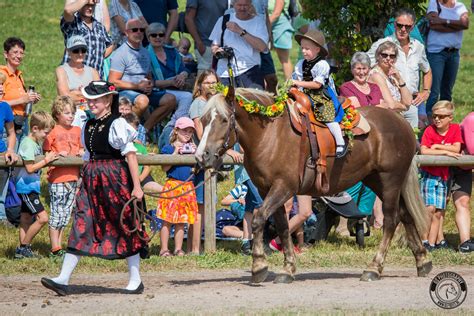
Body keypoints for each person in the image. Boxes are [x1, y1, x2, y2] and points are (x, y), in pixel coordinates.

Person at [41, 80, 148, 296]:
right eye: (89, 100)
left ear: (108, 100)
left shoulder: (117, 124)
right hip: (92, 179)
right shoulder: (88, 126)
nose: (91, 104)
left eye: (96, 100)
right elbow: (88, 157)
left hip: (115, 178)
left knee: (124, 224)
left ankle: (135, 280)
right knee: (82, 221)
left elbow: (130, 156)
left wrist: (137, 187)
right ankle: (63, 278)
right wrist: (83, 180)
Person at [367, 8, 432, 129]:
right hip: (391, 105)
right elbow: (363, 65)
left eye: (407, 26)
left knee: (412, 141)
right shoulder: (382, 45)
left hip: (412, 102)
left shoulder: (418, 47)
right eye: (399, 25)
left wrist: (426, 91)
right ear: (394, 24)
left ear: (412, 27)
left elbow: (427, 70)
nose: (403, 29)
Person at [108, 19, 176, 132]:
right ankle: (124, 130)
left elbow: (148, 76)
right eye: (134, 30)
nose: (139, 32)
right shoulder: (121, 53)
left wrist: (149, 85)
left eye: (142, 30)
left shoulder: (145, 52)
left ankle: (144, 131)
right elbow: (113, 82)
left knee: (170, 100)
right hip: (124, 92)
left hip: (143, 91)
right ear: (126, 32)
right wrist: (137, 86)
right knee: (143, 100)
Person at [292, 29, 346, 158]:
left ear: (317, 49)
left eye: (307, 49)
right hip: (303, 93)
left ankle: (340, 142)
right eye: (302, 48)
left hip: (320, 94)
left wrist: (298, 83)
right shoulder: (300, 63)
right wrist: (292, 86)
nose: (303, 51)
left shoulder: (322, 64)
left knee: (326, 114)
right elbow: (297, 79)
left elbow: (317, 84)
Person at [43, 96, 84, 258]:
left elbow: (81, 148)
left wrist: (81, 152)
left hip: (73, 178)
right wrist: (56, 154)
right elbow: (45, 152)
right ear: (58, 114)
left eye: (72, 113)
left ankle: (59, 246)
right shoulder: (53, 131)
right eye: (67, 113)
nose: (71, 116)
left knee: (65, 214)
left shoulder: (77, 131)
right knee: (56, 213)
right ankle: (55, 248)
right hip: (58, 177)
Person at [419, 101, 462, 251]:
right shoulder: (429, 130)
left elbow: (457, 147)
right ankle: (423, 240)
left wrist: (437, 146)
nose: (437, 119)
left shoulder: (455, 129)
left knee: (438, 211)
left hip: (444, 177)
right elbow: (424, 151)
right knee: (429, 208)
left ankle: (432, 244)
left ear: (450, 117)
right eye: (434, 116)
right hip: (429, 174)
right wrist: (445, 151)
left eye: (441, 116)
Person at [14, 111, 57, 259]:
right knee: (43, 218)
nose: (47, 136)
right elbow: (30, 168)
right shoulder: (28, 144)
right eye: (45, 132)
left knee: (26, 219)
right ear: (35, 129)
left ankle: (22, 252)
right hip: (26, 187)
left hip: (30, 186)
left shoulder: (34, 143)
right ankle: (23, 247)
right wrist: (47, 160)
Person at [146, 22, 194, 150]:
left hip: (177, 88)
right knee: (185, 97)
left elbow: (185, 69)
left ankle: (174, 126)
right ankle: (174, 128)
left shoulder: (172, 51)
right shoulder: (145, 54)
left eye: (161, 35)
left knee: (189, 96)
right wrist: (171, 82)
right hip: (157, 90)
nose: (157, 38)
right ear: (148, 37)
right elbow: (149, 82)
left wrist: (182, 76)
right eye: (153, 35)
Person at [187, 69, 219, 254]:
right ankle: (195, 248)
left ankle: (200, 246)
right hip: (201, 156)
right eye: (208, 82)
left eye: (214, 82)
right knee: (200, 206)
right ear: (200, 85)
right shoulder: (199, 104)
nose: (212, 85)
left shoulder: (211, 103)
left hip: (209, 156)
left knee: (205, 204)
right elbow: (200, 131)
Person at [156, 117, 198, 256]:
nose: (187, 134)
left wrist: (195, 154)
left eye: (190, 131)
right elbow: (164, 167)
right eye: (184, 130)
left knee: (182, 221)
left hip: (188, 186)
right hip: (173, 185)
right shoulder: (168, 148)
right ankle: (164, 249)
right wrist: (174, 153)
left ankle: (178, 248)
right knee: (167, 220)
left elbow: (196, 169)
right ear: (176, 130)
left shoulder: (193, 149)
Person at [435, 112, 474, 252]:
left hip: (465, 167)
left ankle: (465, 242)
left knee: (462, 202)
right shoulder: (471, 120)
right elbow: (472, 148)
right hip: (449, 163)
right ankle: (438, 240)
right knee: (441, 204)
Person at [209, 0, 269, 88]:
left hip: (250, 71)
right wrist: (216, 51)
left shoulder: (258, 22)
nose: (242, 8)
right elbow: (214, 44)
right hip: (224, 73)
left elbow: (262, 47)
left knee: (252, 101)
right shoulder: (223, 20)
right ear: (233, 5)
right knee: (224, 101)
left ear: (250, 5)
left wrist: (240, 31)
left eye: (245, 5)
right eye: (239, 5)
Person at [425, 0, 469, 118]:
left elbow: (465, 24)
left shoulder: (460, 6)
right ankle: (429, 123)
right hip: (436, 53)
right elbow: (433, 23)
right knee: (434, 92)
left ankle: (445, 122)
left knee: (447, 92)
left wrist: (444, 21)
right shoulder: (434, 3)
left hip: (453, 53)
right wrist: (456, 25)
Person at [0, 37, 42, 141]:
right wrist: (22, 100)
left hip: (21, 123)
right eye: (15, 52)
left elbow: (19, 102)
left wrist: (30, 99)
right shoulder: (1, 74)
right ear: (6, 54)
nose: (19, 56)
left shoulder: (18, 75)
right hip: (7, 126)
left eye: (21, 53)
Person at [62, 0, 114, 75]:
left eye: (92, 5)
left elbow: (110, 44)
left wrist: (99, 56)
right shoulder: (73, 24)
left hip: (95, 80)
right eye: (87, 5)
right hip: (74, 77)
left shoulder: (100, 27)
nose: (90, 8)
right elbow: (68, 10)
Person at [185, 0, 229, 75]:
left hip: (223, 46)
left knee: (222, 79)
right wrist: (199, 43)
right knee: (204, 81)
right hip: (205, 45)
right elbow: (188, 19)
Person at [122, 112, 163, 192]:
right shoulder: (117, 147)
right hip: (122, 180)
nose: (131, 133)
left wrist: (139, 180)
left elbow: (147, 167)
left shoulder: (140, 147)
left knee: (160, 189)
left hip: (139, 178)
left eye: (133, 130)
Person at [368, 41, 413, 112]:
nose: (388, 58)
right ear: (377, 56)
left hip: (396, 114)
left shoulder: (392, 75)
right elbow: (391, 105)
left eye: (392, 56)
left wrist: (399, 78)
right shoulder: (376, 75)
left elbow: (408, 101)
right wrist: (404, 107)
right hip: (383, 116)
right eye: (384, 55)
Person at [56, 35, 101, 105]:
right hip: (72, 112)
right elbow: (64, 97)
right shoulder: (61, 70)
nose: (80, 54)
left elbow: (99, 96)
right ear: (68, 51)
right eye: (76, 50)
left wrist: (76, 93)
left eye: (83, 50)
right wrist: (89, 95)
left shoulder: (93, 72)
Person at [0, 72, 19, 222]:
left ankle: (2, 215)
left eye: (2, 85)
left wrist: (10, 149)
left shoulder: (5, 107)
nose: (1, 89)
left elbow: (11, 133)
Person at [268, 0, 294, 79]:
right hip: (268, 23)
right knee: (265, 58)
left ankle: (290, 87)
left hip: (280, 25)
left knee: (284, 58)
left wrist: (263, 25)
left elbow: (276, 13)